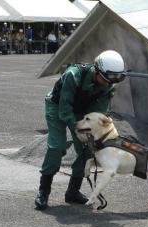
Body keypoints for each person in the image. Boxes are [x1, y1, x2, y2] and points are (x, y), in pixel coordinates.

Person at [34, 50, 126, 210]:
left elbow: (97, 113)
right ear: (97, 70)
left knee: (87, 149)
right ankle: (44, 191)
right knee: (57, 146)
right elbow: (65, 109)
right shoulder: (73, 75)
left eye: (113, 79)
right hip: (57, 106)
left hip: (82, 111)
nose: (108, 83)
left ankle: (72, 192)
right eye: (105, 79)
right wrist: (77, 130)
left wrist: (91, 134)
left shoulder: (109, 85)